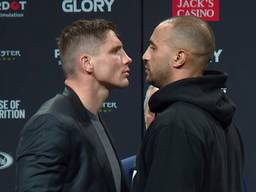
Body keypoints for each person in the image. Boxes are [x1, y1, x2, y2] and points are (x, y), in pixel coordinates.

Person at [15, 19, 132, 192]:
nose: (127, 59)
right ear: (87, 63)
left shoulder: (93, 119)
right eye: (115, 51)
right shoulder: (50, 124)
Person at [132, 16, 244, 192]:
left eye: (153, 47)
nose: (145, 55)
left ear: (178, 57)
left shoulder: (176, 123)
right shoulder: (226, 123)